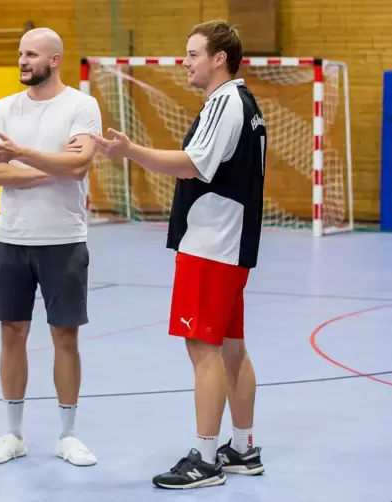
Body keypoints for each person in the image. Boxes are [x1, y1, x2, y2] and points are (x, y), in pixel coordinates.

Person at [93, 20, 266, 489]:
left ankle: (206, 460)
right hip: (231, 247)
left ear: (219, 59)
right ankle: (243, 448)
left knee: (203, 350)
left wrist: (130, 150)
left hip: (211, 246)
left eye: (192, 54)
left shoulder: (225, 102)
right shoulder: (246, 105)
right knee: (231, 349)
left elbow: (194, 164)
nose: (185, 62)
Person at [0, 27, 102, 467]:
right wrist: (52, 166)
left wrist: (22, 156)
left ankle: (68, 435)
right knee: (11, 334)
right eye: (19, 54)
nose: (22, 61)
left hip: (64, 240)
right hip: (10, 237)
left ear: (54, 60)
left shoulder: (81, 106)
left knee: (64, 336)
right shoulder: (3, 108)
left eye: (31, 54)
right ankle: (13, 434)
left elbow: (81, 163)